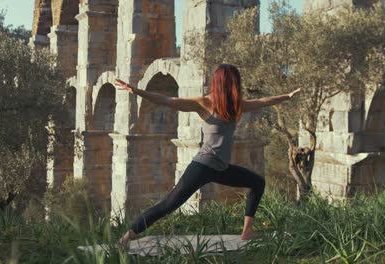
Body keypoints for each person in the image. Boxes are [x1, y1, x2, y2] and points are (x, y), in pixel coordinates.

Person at [114, 64, 301, 247]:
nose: (237, 85)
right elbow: (168, 101)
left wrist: (286, 96)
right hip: (203, 166)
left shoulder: (235, 105)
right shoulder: (204, 103)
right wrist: (136, 91)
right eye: (235, 81)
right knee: (169, 204)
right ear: (226, 83)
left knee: (257, 183)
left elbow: (262, 102)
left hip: (221, 167)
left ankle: (247, 231)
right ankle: (126, 237)